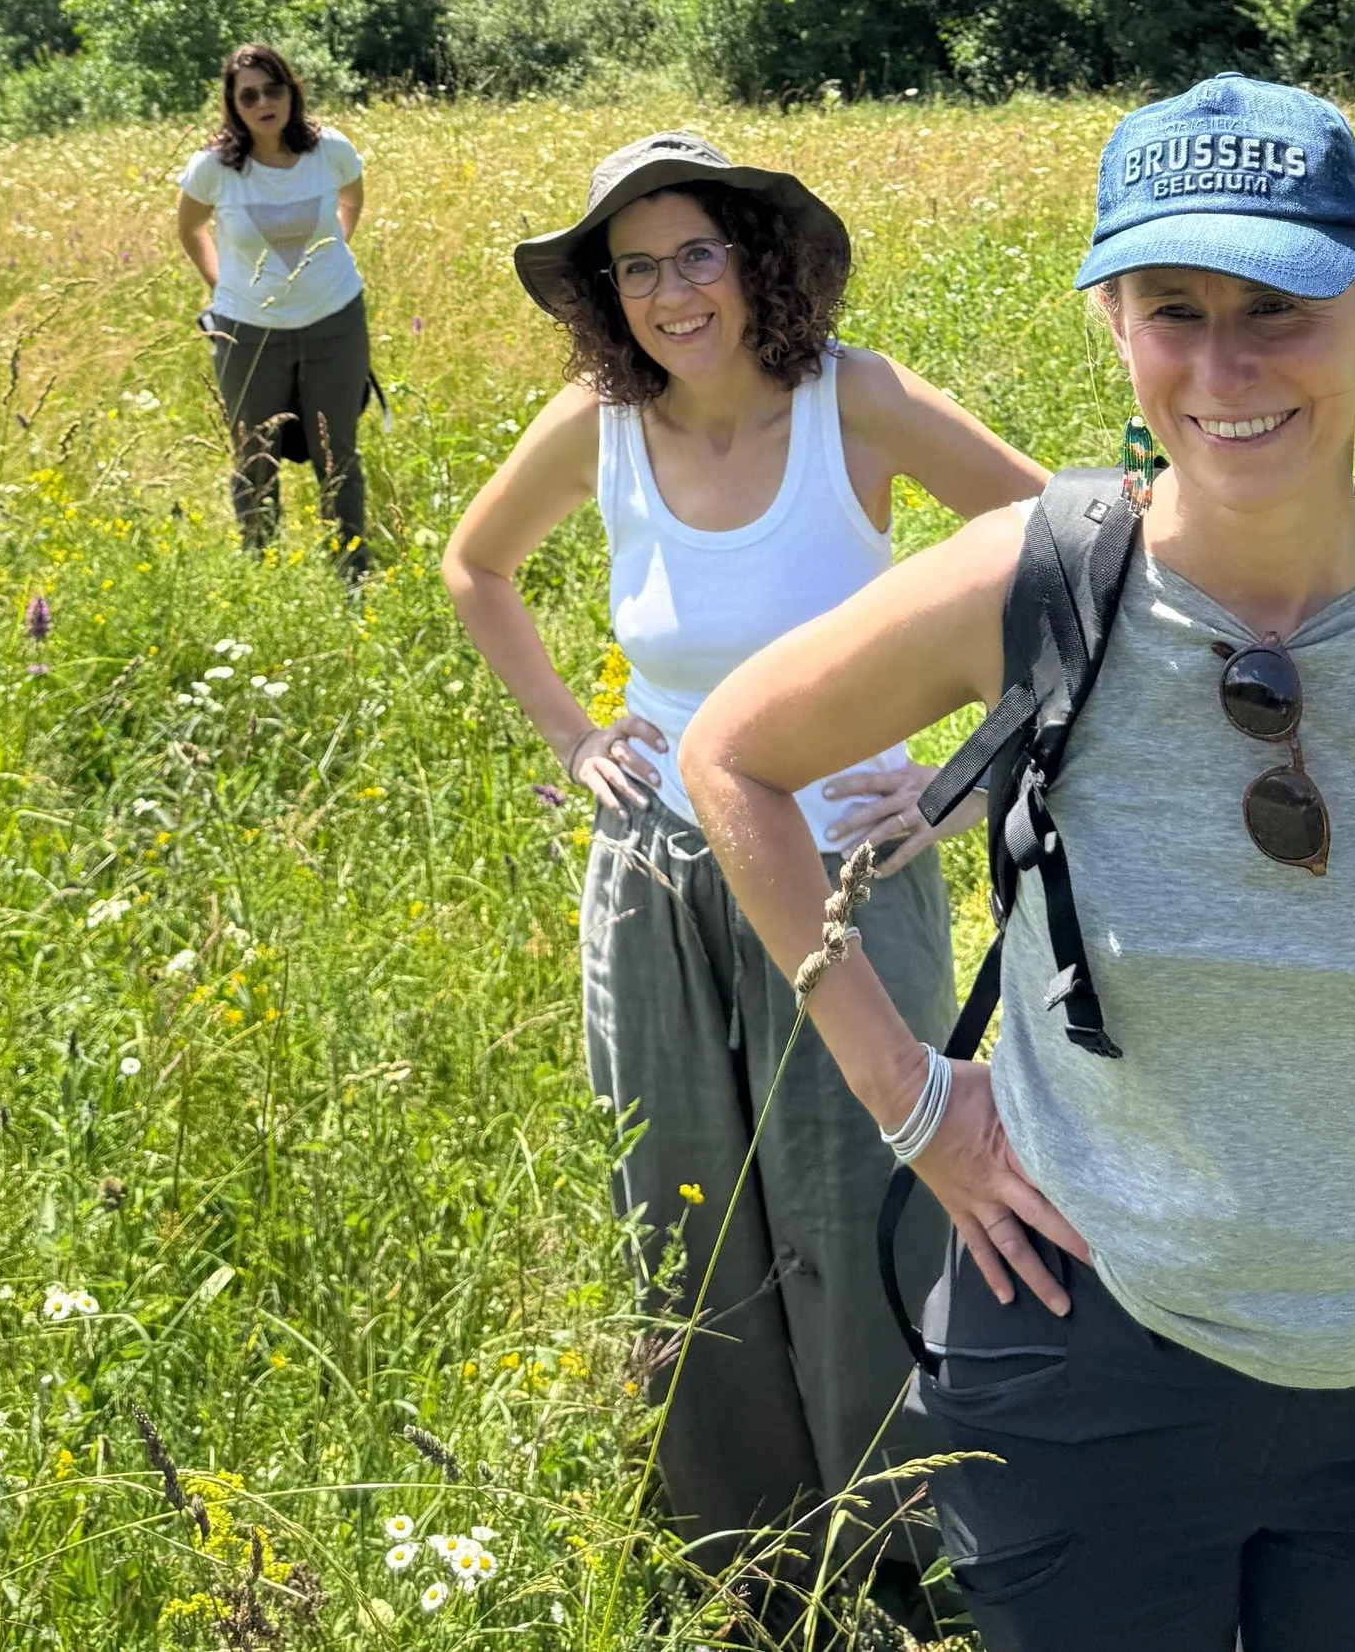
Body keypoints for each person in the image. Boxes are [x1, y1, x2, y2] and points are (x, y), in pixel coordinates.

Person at [681, 73, 1355, 1652]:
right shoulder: (1035, 582)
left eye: (1282, 303)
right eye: (1174, 306)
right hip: (1079, 1360)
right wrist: (914, 1105)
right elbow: (734, 759)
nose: (1225, 363)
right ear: (1114, 320)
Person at [442, 129, 1045, 1627]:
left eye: (694, 252)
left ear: (756, 258)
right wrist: (579, 736)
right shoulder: (598, 420)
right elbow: (474, 566)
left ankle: (904, 1557)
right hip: (656, 871)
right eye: (634, 267)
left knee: (871, 1200)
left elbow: (1062, 549)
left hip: (843, 866)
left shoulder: (862, 402)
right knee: (686, 1204)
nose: (669, 293)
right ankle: (740, 1563)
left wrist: (968, 776)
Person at [175, 45, 374, 578]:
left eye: (274, 88)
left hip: (335, 323)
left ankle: (353, 571)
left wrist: (331, 257)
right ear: (233, 106)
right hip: (248, 334)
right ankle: (260, 573)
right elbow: (190, 231)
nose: (264, 102)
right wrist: (225, 292)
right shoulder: (214, 169)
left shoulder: (330, 150)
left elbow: (351, 201)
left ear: (292, 90)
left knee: (339, 457)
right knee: (255, 458)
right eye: (250, 95)